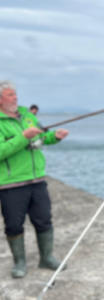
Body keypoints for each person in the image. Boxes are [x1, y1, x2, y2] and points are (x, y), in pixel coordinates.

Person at [0, 81, 69, 278]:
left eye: (15, 94)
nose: (15, 98)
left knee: (44, 220)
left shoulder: (27, 115)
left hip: (37, 180)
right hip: (10, 184)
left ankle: (46, 258)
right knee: (13, 225)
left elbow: (41, 136)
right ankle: (19, 263)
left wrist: (54, 137)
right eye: (10, 95)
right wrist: (23, 137)